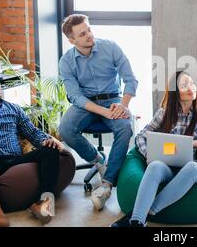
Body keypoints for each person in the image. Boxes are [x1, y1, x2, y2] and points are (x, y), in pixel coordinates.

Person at [110, 71, 197, 227]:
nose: (191, 87)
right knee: (154, 166)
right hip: (167, 167)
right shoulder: (165, 113)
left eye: (192, 83)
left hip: (189, 167)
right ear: (175, 92)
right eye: (184, 85)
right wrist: (148, 154)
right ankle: (137, 222)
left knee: (194, 168)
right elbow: (141, 136)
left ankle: (142, 213)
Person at [58, 14, 138, 211]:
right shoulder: (66, 62)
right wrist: (103, 111)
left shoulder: (110, 47)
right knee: (65, 129)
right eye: (82, 34)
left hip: (113, 100)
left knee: (125, 127)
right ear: (72, 40)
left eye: (89, 30)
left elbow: (131, 80)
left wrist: (123, 106)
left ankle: (107, 185)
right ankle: (98, 160)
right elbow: (75, 96)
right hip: (85, 103)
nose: (89, 36)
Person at [0, 62, 64, 227]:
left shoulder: (13, 109)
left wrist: (45, 140)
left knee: (50, 149)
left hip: (14, 161)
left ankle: (43, 202)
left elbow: (32, 132)